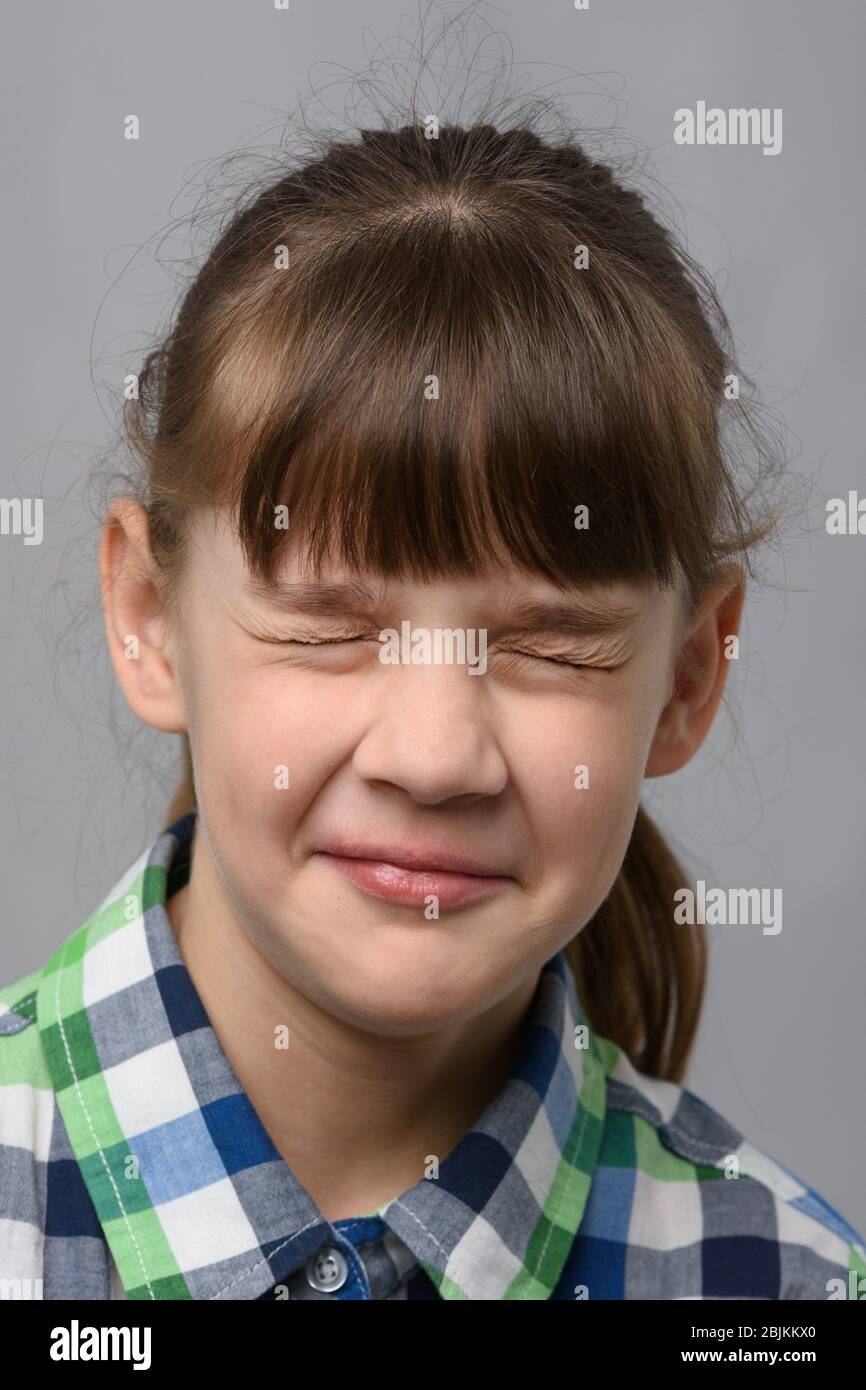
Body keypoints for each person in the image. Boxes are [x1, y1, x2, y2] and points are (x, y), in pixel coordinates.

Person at [1, 115, 863, 1301]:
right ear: (149, 616)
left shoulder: (785, 1288)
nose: (432, 754)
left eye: (548, 645)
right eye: (328, 628)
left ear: (687, 678)